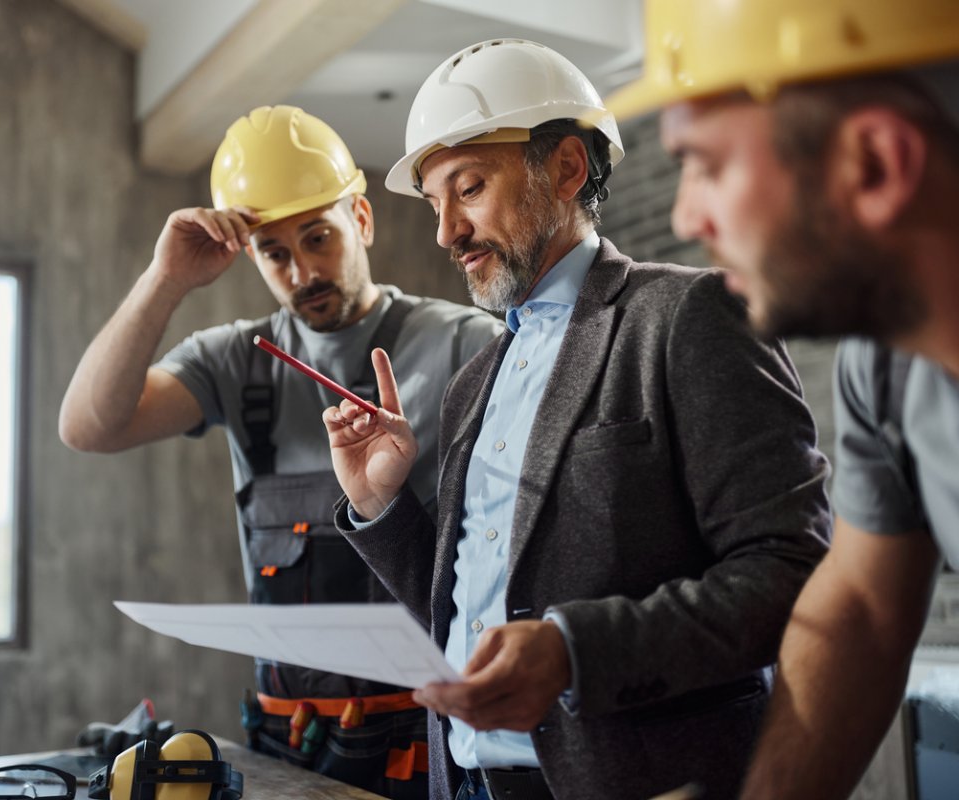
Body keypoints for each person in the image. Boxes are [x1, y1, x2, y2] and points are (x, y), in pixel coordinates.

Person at [322, 39, 832, 800]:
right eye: (436, 204)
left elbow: (792, 573)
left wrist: (573, 653)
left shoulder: (687, 316)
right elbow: (468, 622)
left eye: (468, 188)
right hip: (466, 781)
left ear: (564, 169)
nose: (445, 233)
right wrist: (382, 507)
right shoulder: (473, 384)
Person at [59, 105, 503, 798]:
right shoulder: (238, 361)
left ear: (362, 220)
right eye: (274, 252)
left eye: (318, 237)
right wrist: (166, 279)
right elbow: (90, 426)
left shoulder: (465, 345)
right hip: (286, 745)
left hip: (424, 744)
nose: (302, 272)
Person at [603, 1, 959, 798]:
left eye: (707, 165)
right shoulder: (886, 371)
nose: (684, 216)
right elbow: (861, 610)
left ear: (873, 163)